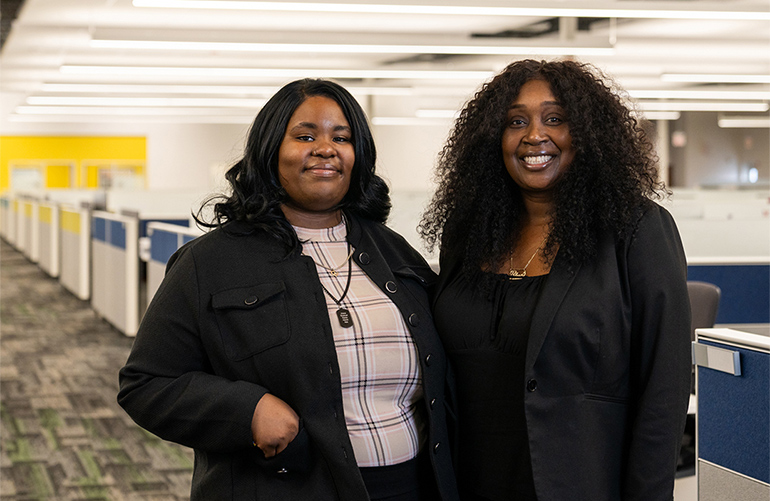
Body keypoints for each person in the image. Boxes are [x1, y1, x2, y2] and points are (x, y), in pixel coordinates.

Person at [118, 79, 459, 501]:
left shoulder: (396, 254)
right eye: (304, 135)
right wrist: (249, 410)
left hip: (411, 486)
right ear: (270, 150)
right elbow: (147, 383)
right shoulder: (210, 263)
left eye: (342, 137)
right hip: (286, 487)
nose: (325, 148)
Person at [419, 59, 691, 500]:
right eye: (515, 121)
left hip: (581, 481)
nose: (534, 136)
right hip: (467, 480)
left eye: (555, 119)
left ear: (585, 135)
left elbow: (664, 390)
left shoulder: (635, 230)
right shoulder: (467, 232)